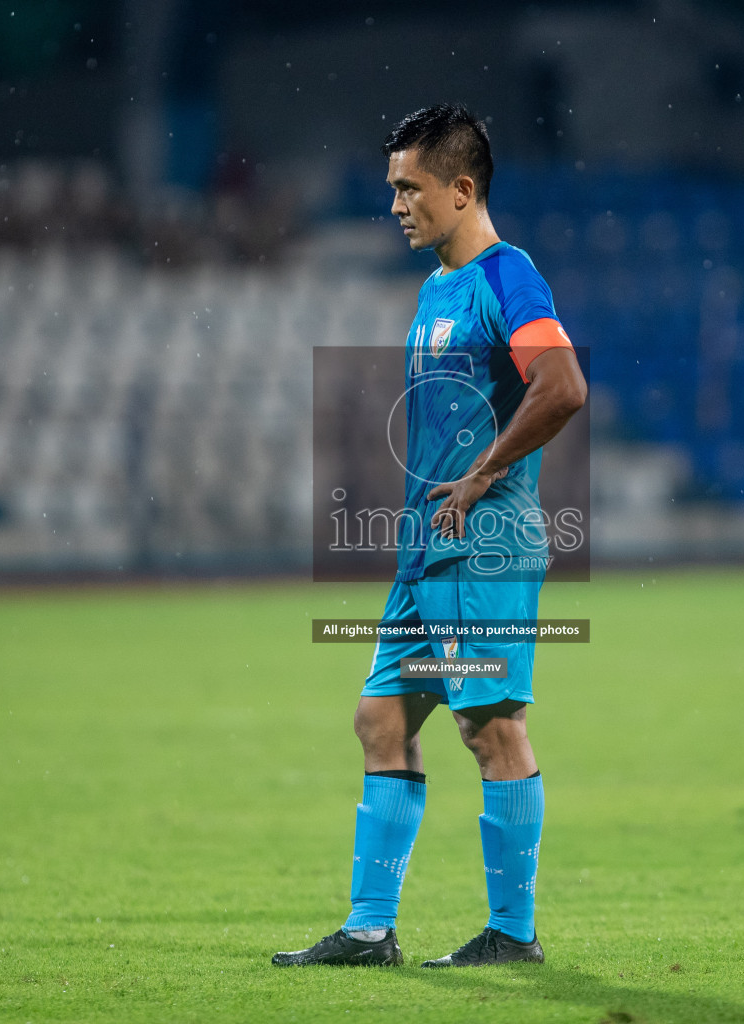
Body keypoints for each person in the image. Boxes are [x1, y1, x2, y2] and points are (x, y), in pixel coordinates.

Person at [273, 104, 586, 968]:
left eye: (410, 188)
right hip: (427, 552)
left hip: (483, 547)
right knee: (382, 719)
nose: (397, 204)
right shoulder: (436, 288)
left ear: (462, 188)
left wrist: (484, 475)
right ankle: (371, 932)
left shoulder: (506, 277)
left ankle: (513, 937)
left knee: (490, 727)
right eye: (392, 189)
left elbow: (561, 386)